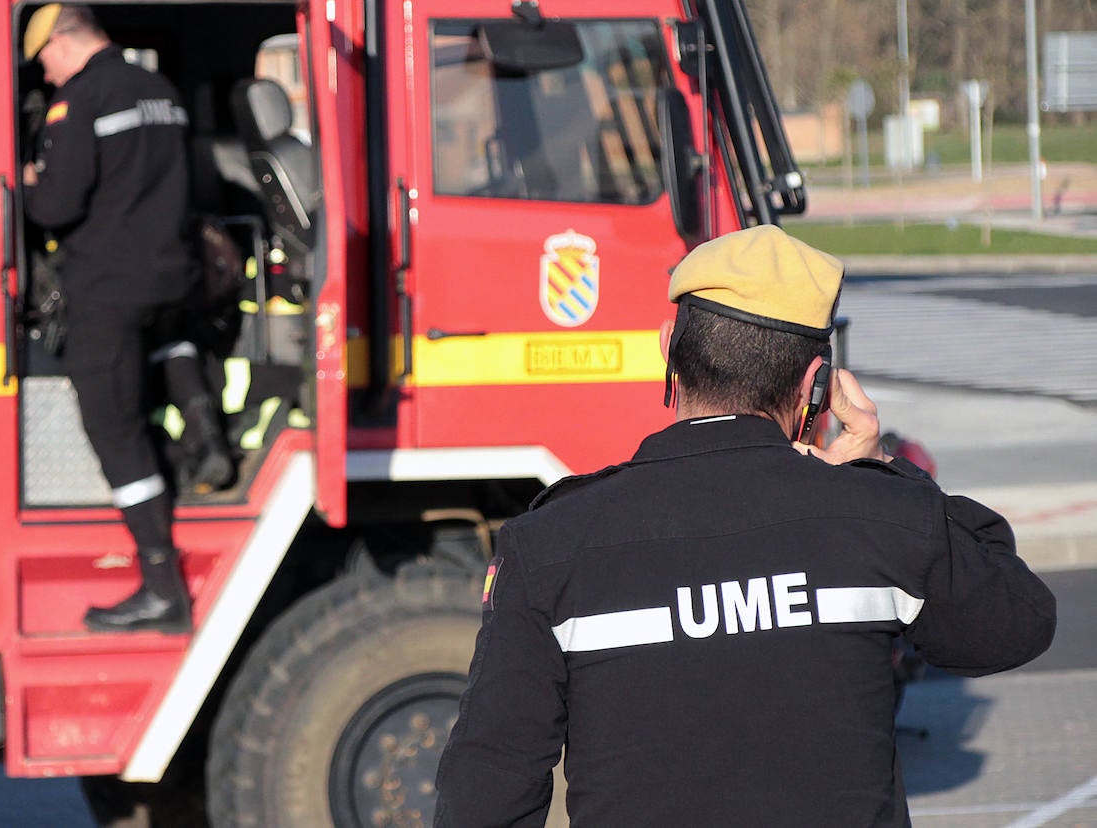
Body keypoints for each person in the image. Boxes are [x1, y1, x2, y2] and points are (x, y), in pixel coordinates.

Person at [434, 225, 1056, 825]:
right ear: (817, 384)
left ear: (667, 348)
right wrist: (881, 469)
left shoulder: (550, 548)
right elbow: (1015, 624)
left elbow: (487, 788)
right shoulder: (878, 520)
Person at [21, 3, 233, 633]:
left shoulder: (79, 102)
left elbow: (56, 207)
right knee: (171, 342)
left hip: (108, 288)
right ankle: (204, 439)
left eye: (47, 62)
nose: (48, 76)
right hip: (173, 276)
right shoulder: (157, 89)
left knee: (113, 428)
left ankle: (162, 586)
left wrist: (32, 180)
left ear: (65, 41)